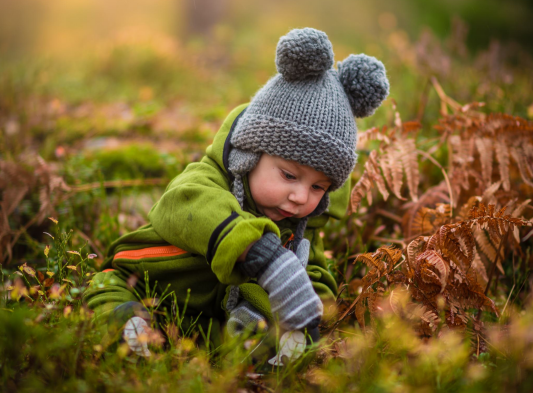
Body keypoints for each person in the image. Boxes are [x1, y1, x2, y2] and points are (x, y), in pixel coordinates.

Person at [83, 27, 389, 358]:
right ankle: (129, 328)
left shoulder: (300, 227)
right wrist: (261, 253)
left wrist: (307, 314)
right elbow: (183, 204)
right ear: (250, 155)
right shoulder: (206, 181)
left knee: (259, 331)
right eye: (289, 175)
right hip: (143, 281)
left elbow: (314, 273)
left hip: (205, 319)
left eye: (318, 187)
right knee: (110, 294)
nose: (301, 197)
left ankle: (246, 346)